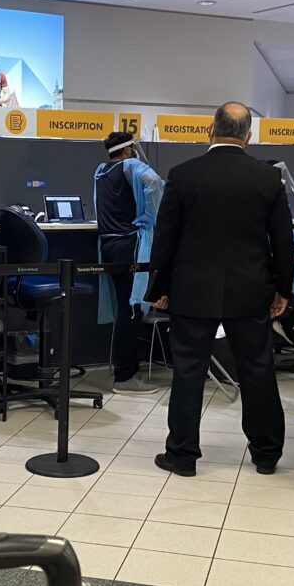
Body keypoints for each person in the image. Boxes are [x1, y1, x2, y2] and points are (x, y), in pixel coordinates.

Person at [148, 102, 294, 476]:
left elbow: (165, 238)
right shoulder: (268, 179)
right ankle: (266, 453)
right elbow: (282, 242)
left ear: (210, 130)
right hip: (251, 291)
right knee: (257, 370)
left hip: (192, 290)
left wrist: (158, 287)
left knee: (188, 371)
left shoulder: (183, 175)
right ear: (249, 135)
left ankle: (182, 455)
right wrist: (283, 289)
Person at [94, 132, 164, 394]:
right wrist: (149, 216)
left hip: (109, 245)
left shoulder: (101, 170)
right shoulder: (133, 166)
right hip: (130, 245)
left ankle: (123, 368)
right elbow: (155, 182)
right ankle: (125, 377)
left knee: (124, 307)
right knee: (132, 309)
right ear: (128, 149)